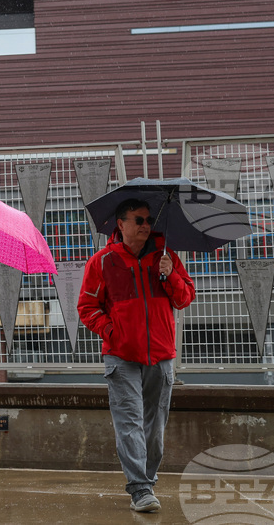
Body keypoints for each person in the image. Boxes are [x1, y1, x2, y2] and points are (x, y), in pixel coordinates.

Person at [77, 199, 195, 513]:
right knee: (129, 423)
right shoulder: (102, 262)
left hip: (160, 354)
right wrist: (111, 331)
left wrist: (170, 275)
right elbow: (87, 307)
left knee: (155, 428)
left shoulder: (166, 257)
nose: (146, 225)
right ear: (121, 224)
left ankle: (147, 479)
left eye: (148, 220)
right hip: (121, 356)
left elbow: (184, 299)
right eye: (139, 220)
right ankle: (140, 489)